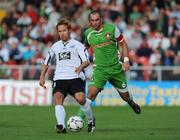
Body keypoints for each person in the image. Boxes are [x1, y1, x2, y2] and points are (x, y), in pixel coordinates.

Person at [78, 10, 141, 131]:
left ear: (101, 19)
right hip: (100, 69)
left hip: (116, 68)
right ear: (89, 22)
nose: (95, 22)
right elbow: (84, 47)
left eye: (97, 20)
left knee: (125, 97)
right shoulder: (88, 33)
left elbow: (123, 43)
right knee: (90, 94)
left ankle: (131, 102)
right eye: (92, 20)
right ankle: (79, 119)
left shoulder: (112, 29)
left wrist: (126, 60)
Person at [39, 19, 95, 133]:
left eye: (64, 30)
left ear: (69, 30)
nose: (62, 33)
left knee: (81, 99)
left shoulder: (78, 45)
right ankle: (61, 126)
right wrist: (42, 77)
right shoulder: (55, 46)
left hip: (75, 77)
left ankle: (90, 120)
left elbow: (87, 61)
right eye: (60, 31)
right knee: (58, 98)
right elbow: (46, 62)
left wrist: (80, 66)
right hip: (60, 78)